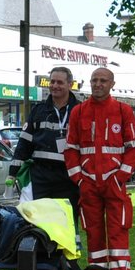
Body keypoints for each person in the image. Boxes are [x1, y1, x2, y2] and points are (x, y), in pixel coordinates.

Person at [65, 67, 135, 270]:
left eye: (103, 80)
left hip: (114, 182)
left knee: (119, 231)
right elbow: (70, 149)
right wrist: (78, 178)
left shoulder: (123, 110)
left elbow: (134, 147)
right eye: (94, 80)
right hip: (89, 183)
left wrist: (121, 176)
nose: (98, 84)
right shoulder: (78, 111)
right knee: (94, 232)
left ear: (112, 83)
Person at [12, 66, 82, 222]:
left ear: (70, 85)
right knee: (39, 223)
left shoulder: (80, 110)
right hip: (41, 177)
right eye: (52, 81)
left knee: (66, 223)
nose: (54, 86)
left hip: (69, 178)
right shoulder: (38, 110)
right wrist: (13, 171)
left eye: (60, 82)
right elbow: (24, 143)